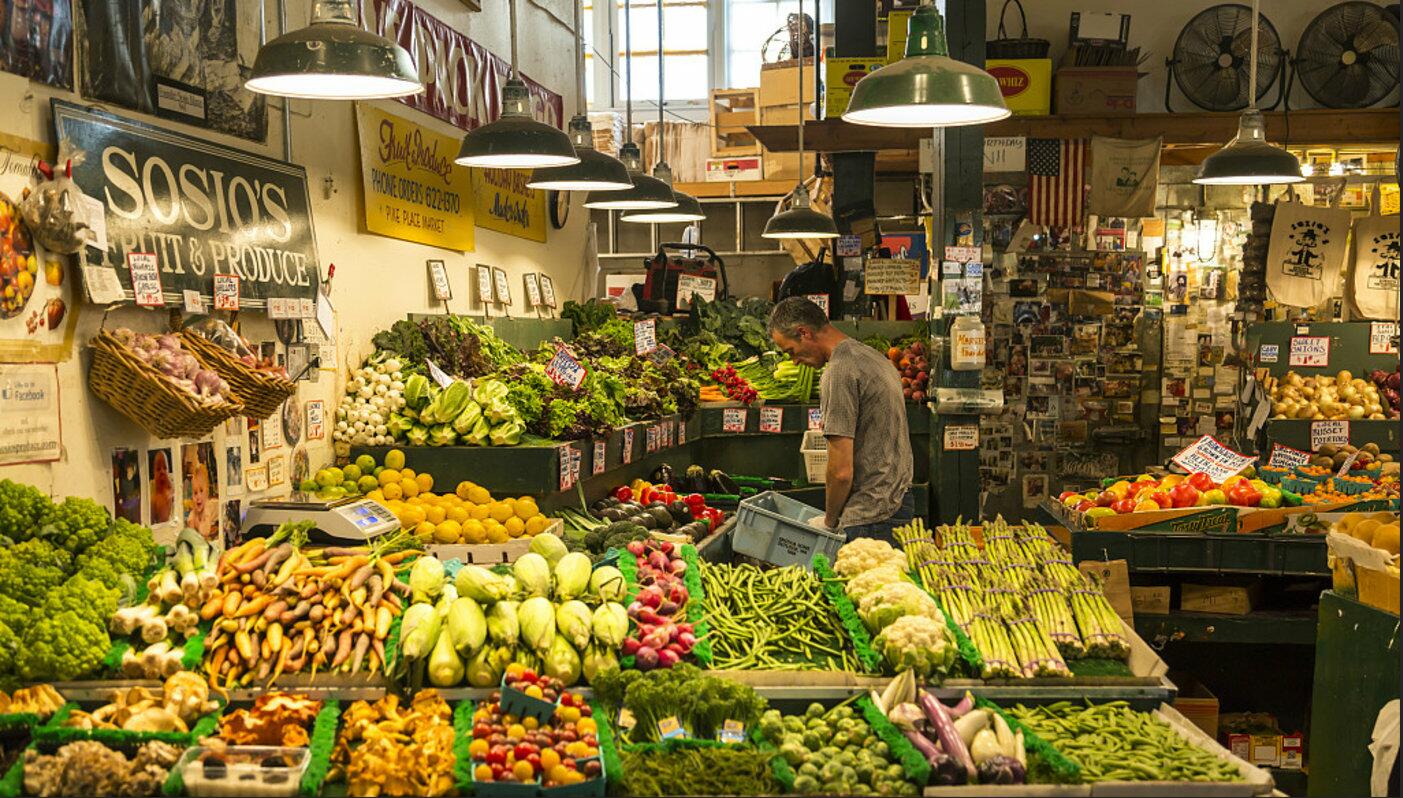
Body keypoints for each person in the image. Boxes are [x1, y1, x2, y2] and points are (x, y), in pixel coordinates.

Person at [767, 297, 914, 543]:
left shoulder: (839, 372)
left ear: (804, 333)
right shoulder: (870, 355)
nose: (794, 361)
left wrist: (829, 522)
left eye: (790, 351)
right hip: (897, 499)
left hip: (870, 514)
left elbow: (841, 471)